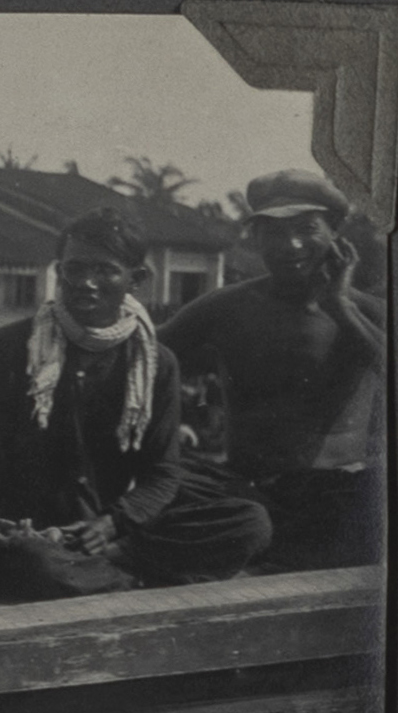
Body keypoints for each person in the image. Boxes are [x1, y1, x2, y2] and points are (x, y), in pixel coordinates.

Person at [0, 208, 272, 598]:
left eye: (104, 270)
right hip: (27, 531)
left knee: (250, 523)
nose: (87, 283)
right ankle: (118, 576)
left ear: (135, 279)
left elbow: (161, 474)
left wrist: (111, 525)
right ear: (59, 272)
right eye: (75, 269)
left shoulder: (155, 364)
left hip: (105, 532)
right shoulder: (9, 347)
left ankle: (111, 564)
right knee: (36, 561)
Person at [160, 169, 388, 571]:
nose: (291, 245)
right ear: (256, 237)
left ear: (335, 233)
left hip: (337, 495)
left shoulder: (368, 312)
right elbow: (145, 355)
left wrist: (339, 307)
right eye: (273, 232)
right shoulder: (225, 307)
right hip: (247, 490)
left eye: (306, 229)